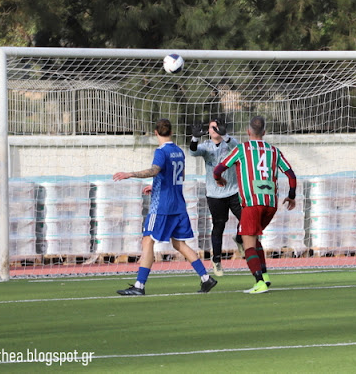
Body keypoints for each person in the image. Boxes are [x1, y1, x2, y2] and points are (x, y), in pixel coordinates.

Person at [114, 119, 217, 295]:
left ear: (156, 132)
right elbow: (179, 176)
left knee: (148, 240)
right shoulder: (179, 151)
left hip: (162, 206)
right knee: (179, 243)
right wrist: (156, 185)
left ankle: (139, 286)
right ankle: (206, 278)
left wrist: (129, 174)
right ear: (171, 132)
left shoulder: (161, 151)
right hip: (178, 204)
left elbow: (154, 170)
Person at [213, 116, 297, 294]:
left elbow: (218, 169)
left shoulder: (242, 149)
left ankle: (259, 282)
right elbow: (291, 175)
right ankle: (265, 276)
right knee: (253, 238)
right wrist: (291, 196)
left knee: (248, 243)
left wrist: (218, 179)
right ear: (264, 132)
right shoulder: (274, 151)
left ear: (248, 131)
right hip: (270, 204)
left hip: (252, 203)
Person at [189, 118, 244, 277]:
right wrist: (194, 138)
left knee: (246, 218)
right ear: (208, 131)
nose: (214, 130)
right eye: (211, 127)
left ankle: (239, 239)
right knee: (219, 226)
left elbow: (239, 150)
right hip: (214, 194)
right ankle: (217, 260)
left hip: (233, 191)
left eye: (217, 127)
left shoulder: (230, 142)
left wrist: (225, 135)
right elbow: (193, 152)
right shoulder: (206, 146)